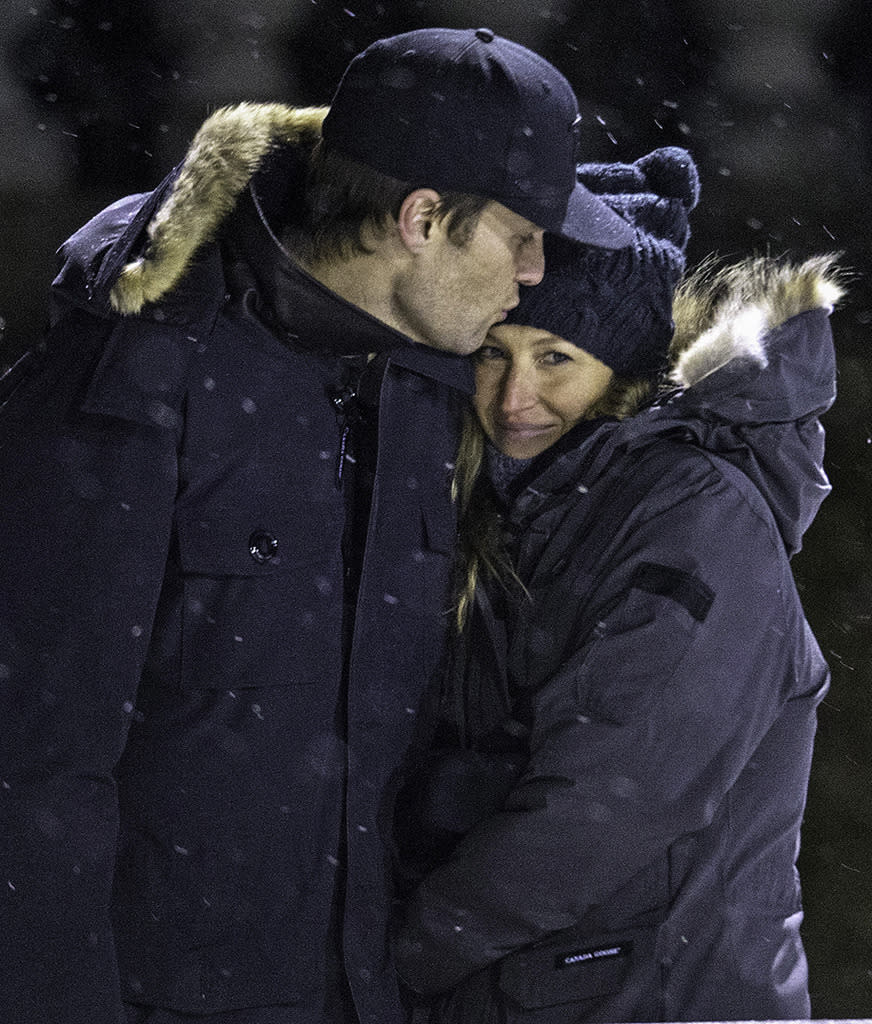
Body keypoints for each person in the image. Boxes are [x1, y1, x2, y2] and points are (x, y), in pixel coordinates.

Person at [0, 27, 635, 1024]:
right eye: (519, 234)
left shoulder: (429, 376)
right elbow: (34, 765)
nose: (531, 271)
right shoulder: (139, 378)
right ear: (423, 218)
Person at [393, 148, 844, 1022]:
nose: (515, 395)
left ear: (623, 373)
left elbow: (605, 807)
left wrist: (407, 949)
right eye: (494, 353)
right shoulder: (518, 502)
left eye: (557, 357)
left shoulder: (694, 515)